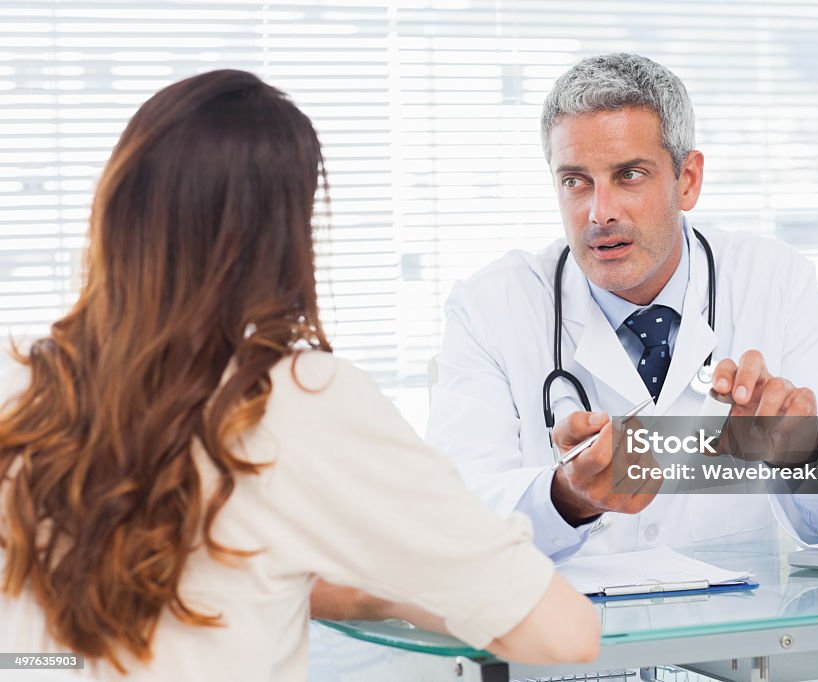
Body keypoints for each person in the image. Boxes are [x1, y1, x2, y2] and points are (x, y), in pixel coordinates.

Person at [0, 69, 598, 681]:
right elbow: (564, 633)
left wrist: (349, 591)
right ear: (283, 236)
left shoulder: (14, 380)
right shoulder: (301, 398)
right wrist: (400, 594)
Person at [426, 53, 818, 561]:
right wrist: (567, 497)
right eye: (575, 181)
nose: (599, 213)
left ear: (687, 180)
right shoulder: (489, 308)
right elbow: (453, 520)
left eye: (629, 175)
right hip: (571, 633)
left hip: (737, 633)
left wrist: (805, 455)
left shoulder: (775, 280)